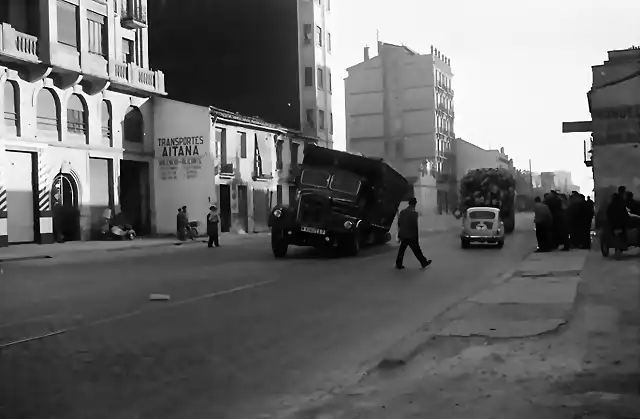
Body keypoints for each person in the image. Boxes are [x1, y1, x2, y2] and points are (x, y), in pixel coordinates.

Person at [395, 197, 432, 270]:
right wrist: (416, 238)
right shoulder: (414, 214)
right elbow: (414, 226)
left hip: (403, 234)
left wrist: (399, 234)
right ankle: (423, 262)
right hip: (411, 235)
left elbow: (399, 224)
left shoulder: (402, 212)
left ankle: (398, 264)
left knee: (402, 250)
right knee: (417, 250)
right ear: (415, 204)